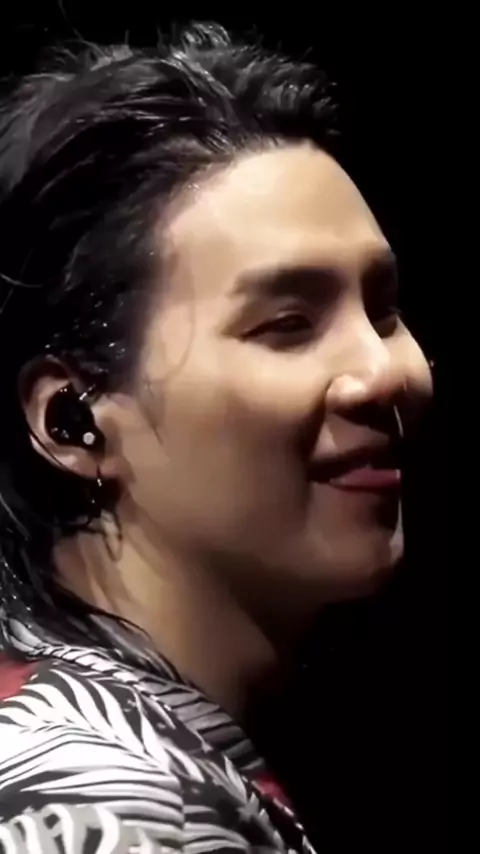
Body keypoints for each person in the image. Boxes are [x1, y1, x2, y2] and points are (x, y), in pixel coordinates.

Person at [0, 22, 432, 853]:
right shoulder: (117, 807)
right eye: (288, 324)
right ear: (72, 419)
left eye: (383, 309)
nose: (387, 372)